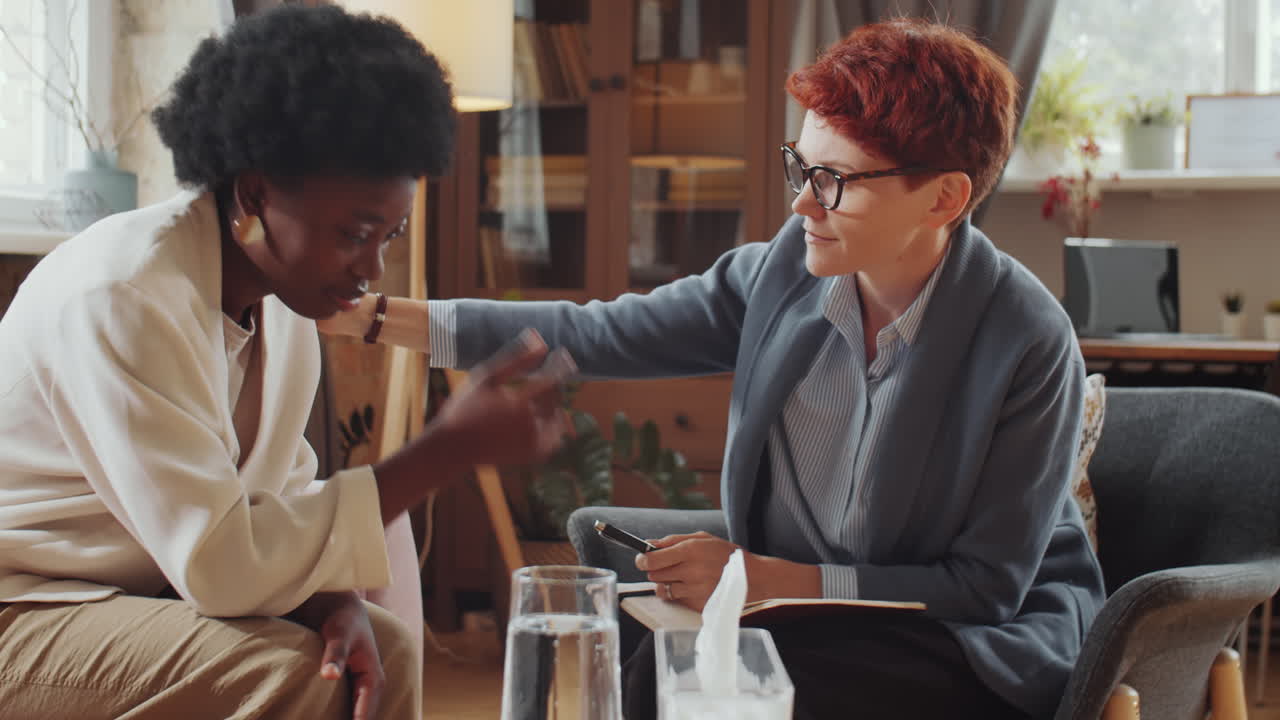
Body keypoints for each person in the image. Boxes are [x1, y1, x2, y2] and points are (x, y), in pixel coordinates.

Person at [323, 17, 1105, 720]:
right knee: (640, 659)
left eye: (835, 181)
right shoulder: (780, 276)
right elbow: (595, 333)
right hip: (803, 619)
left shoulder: (1026, 341)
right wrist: (379, 317)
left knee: (751, 677)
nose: (803, 204)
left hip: (969, 640)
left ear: (943, 198)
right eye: (802, 167)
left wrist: (765, 577)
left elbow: (984, 589)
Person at [0, 6, 569, 719]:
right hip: (25, 607)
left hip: (133, 593)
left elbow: (276, 500)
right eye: (355, 234)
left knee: (379, 648)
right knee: (294, 676)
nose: (373, 268)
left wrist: (332, 603)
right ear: (256, 195)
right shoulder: (128, 296)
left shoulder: (278, 303)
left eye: (388, 235)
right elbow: (222, 565)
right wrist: (445, 448)